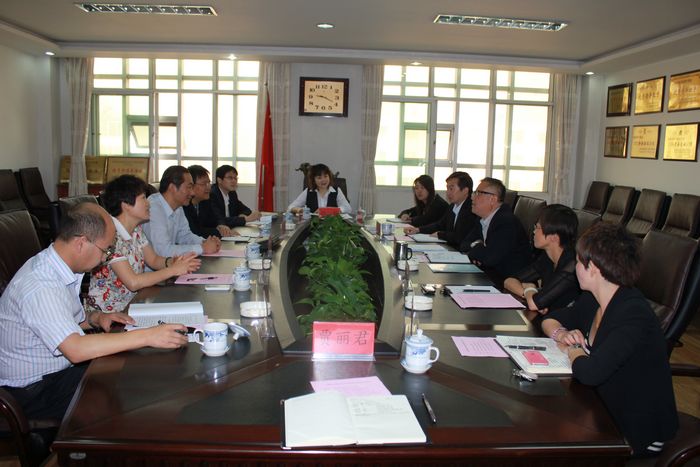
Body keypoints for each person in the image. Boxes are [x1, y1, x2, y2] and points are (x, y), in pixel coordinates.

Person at [0, 203, 188, 426]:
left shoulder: (61, 267)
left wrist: (95, 318)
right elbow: (76, 350)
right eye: (105, 250)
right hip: (33, 390)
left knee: (132, 370)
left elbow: (59, 320)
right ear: (81, 243)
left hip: (57, 371)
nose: (105, 258)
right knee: (127, 395)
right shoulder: (41, 285)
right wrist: (148, 335)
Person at [541, 223, 678, 457]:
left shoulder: (633, 313)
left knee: (549, 440)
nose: (575, 267)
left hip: (636, 429)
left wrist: (573, 347)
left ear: (593, 268)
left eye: (578, 261)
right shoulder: (593, 299)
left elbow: (590, 372)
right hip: (601, 406)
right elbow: (549, 319)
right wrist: (561, 334)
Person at [87, 175, 202, 313]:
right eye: (143, 198)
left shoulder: (136, 230)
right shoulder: (111, 235)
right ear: (126, 205)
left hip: (133, 304)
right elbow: (133, 282)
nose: (148, 203)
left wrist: (173, 262)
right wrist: (173, 270)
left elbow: (153, 260)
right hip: (108, 315)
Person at [504, 204, 580, 321]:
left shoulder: (572, 264)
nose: (534, 231)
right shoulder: (547, 258)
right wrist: (527, 292)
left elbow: (534, 304)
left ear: (554, 237)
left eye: (538, 227)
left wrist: (530, 288)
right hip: (549, 318)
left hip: (565, 325)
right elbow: (509, 281)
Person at [459, 177, 531, 286]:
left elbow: (489, 259)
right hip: (490, 275)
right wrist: (478, 247)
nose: (472, 197)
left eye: (478, 193)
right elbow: (464, 245)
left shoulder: (506, 222)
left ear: (492, 199)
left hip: (510, 283)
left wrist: (476, 250)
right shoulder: (482, 219)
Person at [143, 165, 221, 257]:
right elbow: (163, 251)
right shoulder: (153, 209)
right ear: (172, 187)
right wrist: (202, 248)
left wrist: (205, 242)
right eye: (189, 187)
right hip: (153, 265)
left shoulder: (178, 206)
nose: (192, 193)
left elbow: (185, 235)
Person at [404, 171, 478, 248]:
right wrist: (418, 230)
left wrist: (440, 234)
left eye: (451, 188)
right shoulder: (453, 206)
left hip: (462, 252)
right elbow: (440, 225)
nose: (448, 192)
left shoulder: (472, 209)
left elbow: (460, 236)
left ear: (465, 191)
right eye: (447, 188)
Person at [183, 165, 238, 238]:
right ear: (191, 185)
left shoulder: (205, 202)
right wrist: (218, 232)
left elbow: (214, 220)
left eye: (209, 183)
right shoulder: (184, 205)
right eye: (204, 184)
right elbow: (195, 231)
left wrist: (221, 226)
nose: (209, 187)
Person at [288, 163, 352, 214]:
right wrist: (301, 210)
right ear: (313, 180)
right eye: (319, 178)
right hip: (312, 225)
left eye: (325, 176)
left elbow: (348, 208)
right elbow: (291, 207)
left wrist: (328, 211)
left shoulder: (336, 190)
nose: (323, 180)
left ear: (329, 177)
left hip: (331, 225)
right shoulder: (308, 191)